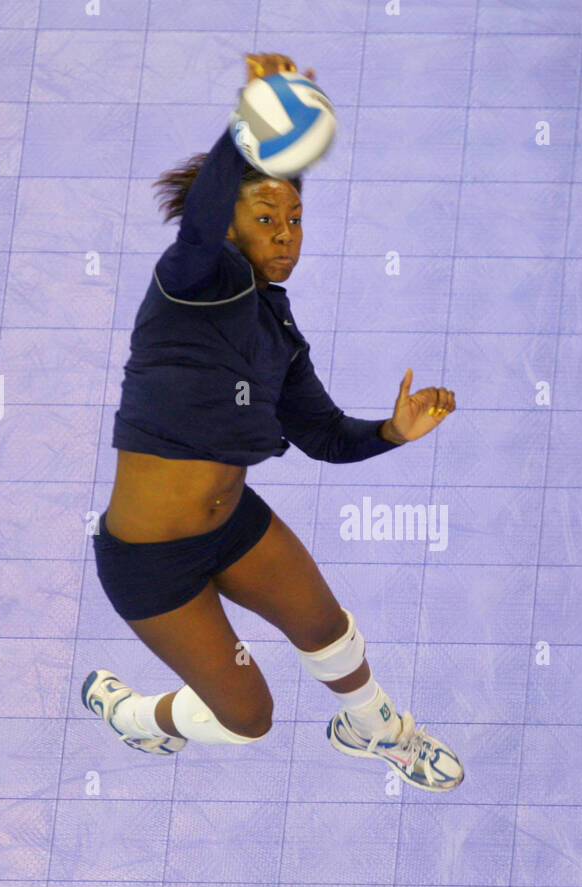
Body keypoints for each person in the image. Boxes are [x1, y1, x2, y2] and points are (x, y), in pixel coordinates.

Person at [82, 52, 462, 792]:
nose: (286, 234)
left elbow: (323, 436)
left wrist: (391, 432)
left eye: (294, 218)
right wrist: (251, 128)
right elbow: (197, 225)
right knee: (247, 719)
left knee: (327, 628)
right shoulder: (196, 280)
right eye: (265, 218)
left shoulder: (275, 328)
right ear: (227, 226)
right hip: (151, 560)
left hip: (230, 523)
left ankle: (372, 728)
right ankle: (137, 717)